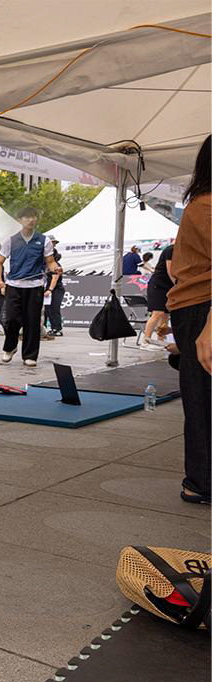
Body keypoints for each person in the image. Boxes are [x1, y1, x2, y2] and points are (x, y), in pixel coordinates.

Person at [166, 134, 210, 505]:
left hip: (197, 307)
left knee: (202, 397)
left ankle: (201, 480)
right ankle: (201, 481)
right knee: (201, 398)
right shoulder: (205, 206)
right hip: (200, 307)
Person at [0, 206, 59, 367]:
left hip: (35, 286)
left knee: (32, 322)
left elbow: (50, 262)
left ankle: (30, 356)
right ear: (20, 220)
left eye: (34, 217)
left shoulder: (44, 240)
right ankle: (10, 347)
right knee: (11, 319)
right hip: (13, 285)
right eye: (27, 217)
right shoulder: (11, 240)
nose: (31, 220)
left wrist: (55, 268)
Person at [142, 244, 175, 349]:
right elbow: (170, 271)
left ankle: (161, 340)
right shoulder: (171, 249)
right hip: (158, 285)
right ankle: (145, 340)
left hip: (169, 286)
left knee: (166, 314)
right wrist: (178, 284)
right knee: (157, 313)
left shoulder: (183, 251)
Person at [44, 238, 66, 338]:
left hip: (55, 289)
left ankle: (57, 329)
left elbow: (55, 277)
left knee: (54, 308)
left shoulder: (56, 265)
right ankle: (51, 328)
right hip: (48, 289)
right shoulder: (45, 266)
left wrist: (50, 290)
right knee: (48, 309)